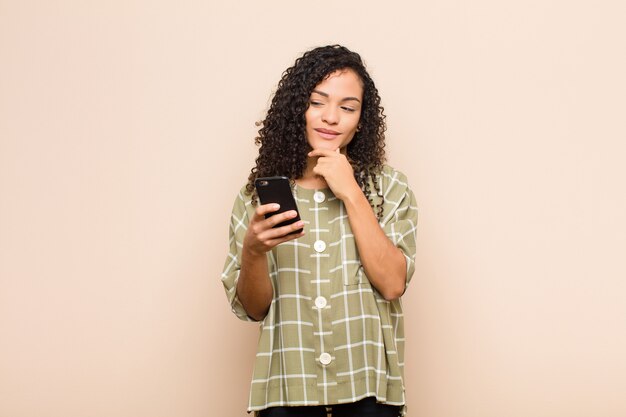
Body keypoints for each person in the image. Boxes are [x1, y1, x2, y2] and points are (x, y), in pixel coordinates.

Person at [221, 45, 418, 417]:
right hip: (287, 387)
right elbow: (253, 307)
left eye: (347, 107)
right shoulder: (256, 199)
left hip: (368, 389)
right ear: (297, 110)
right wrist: (253, 251)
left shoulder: (390, 188)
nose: (331, 118)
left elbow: (393, 283)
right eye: (317, 103)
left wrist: (351, 192)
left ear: (361, 121)